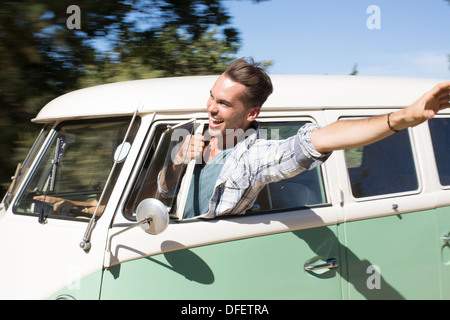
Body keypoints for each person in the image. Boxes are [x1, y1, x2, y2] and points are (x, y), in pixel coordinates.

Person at [159, 57, 450, 220]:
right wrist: (176, 163)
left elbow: (316, 140)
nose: (211, 107)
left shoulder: (251, 159)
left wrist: (401, 118)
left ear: (251, 114)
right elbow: (163, 193)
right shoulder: (194, 133)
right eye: (212, 96)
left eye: (223, 103)